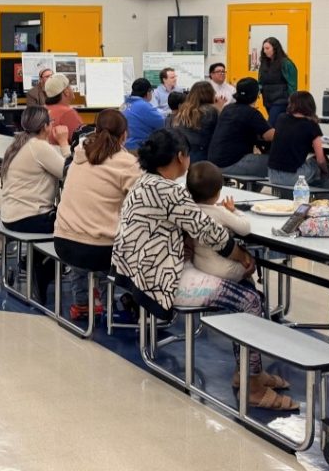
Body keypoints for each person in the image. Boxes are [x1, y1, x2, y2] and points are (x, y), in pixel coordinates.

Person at [113, 129, 296, 410]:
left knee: (248, 292)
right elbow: (210, 230)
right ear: (180, 157)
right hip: (162, 279)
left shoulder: (146, 182)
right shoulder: (169, 190)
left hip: (145, 269)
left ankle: (248, 372)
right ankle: (253, 388)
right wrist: (241, 256)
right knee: (250, 301)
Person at [54, 109, 141, 315]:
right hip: (99, 250)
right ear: (124, 135)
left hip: (64, 243)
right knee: (117, 242)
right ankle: (111, 302)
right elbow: (143, 199)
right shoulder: (126, 163)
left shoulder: (79, 155)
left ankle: (81, 303)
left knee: (82, 232)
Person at [0, 106, 70, 301]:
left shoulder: (19, 144)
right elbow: (70, 173)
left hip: (10, 215)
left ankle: (37, 266)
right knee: (73, 225)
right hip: (29, 218)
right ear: (46, 126)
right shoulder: (39, 147)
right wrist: (64, 143)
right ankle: (43, 271)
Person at [186, 161, 252, 281]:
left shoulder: (190, 211)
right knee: (250, 262)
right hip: (224, 271)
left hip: (199, 266)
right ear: (218, 193)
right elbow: (245, 228)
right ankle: (251, 294)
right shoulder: (219, 212)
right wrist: (234, 210)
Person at [268, 91, 329, 197]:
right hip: (292, 177)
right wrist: (326, 170)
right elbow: (320, 159)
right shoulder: (311, 125)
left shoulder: (281, 118)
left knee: (314, 171)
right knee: (324, 168)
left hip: (272, 174)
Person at [207, 78, 275, 177]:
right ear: (256, 95)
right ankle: (250, 191)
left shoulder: (227, 109)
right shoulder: (252, 113)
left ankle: (248, 190)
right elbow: (270, 136)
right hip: (232, 163)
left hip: (214, 161)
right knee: (276, 164)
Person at [171, 81, 220, 163]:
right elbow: (220, 133)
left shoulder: (183, 110)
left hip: (184, 154)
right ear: (209, 94)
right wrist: (220, 108)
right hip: (205, 155)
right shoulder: (211, 111)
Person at [258, 37, 298, 127]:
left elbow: (292, 85)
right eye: (263, 48)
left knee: (270, 125)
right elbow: (260, 82)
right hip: (268, 100)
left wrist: (293, 103)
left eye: (267, 48)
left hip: (281, 99)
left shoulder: (286, 63)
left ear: (275, 49)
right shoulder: (264, 64)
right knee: (277, 126)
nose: (264, 51)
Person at [122, 78, 165, 150]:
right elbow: (162, 123)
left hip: (124, 146)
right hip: (138, 148)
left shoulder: (124, 105)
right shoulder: (143, 106)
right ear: (148, 92)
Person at [44, 73, 83, 143]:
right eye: (69, 86)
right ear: (66, 92)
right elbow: (82, 141)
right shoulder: (67, 113)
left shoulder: (42, 110)